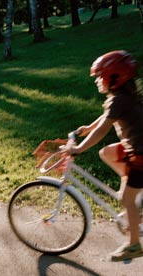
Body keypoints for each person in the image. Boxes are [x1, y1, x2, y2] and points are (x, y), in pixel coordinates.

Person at [66, 50, 143, 262]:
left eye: (101, 76)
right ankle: (132, 189)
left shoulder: (118, 100)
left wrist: (78, 148)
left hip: (141, 154)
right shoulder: (121, 97)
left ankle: (134, 244)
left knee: (126, 199)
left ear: (115, 78)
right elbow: (104, 119)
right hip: (134, 148)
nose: (98, 81)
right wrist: (87, 127)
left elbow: (102, 131)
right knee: (107, 152)